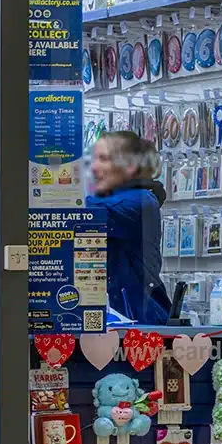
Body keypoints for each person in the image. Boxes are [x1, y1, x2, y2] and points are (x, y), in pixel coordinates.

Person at [87, 130, 172, 324]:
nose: (94, 167)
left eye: (104, 159)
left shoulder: (139, 201)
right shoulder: (119, 198)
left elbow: (83, 210)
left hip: (137, 320)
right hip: (119, 317)